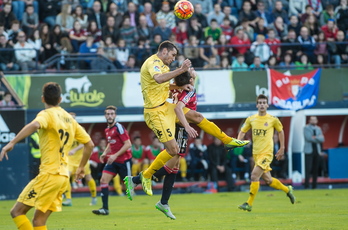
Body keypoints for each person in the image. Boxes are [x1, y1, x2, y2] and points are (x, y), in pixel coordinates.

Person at [132, 41, 249, 197]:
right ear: (164, 51)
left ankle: (228, 141)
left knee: (197, 116)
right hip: (155, 112)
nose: (173, 59)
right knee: (173, 150)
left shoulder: (164, 66)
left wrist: (178, 87)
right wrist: (181, 70)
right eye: (172, 55)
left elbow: (163, 87)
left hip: (165, 106)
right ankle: (145, 176)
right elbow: (159, 79)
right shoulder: (153, 62)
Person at [0, 82, 94, 229]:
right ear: (60, 99)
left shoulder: (46, 115)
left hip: (50, 174)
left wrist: (11, 143)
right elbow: (90, 144)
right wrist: (81, 167)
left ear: (43, 99)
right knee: (39, 222)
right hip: (63, 177)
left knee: (16, 212)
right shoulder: (69, 119)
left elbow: (35, 125)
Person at [237, 94, 295, 212]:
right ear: (257, 105)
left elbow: (281, 131)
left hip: (267, 153)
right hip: (256, 153)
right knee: (268, 180)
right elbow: (242, 131)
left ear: (267, 105)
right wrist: (238, 142)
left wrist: (282, 147)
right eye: (260, 103)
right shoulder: (251, 119)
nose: (262, 105)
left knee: (254, 176)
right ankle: (287, 190)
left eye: (264, 102)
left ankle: (249, 203)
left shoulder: (273, 119)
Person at [92, 105, 132, 216]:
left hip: (124, 161)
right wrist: (105, 153)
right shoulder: (107, 129)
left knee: (130, 186)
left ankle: (147, 178)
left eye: (112, 114)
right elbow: (111, 143)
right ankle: (105, 209)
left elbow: (128, 144)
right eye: (108, 114)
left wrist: (115, 155)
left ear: (115, 115)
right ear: (105, 116)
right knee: (103, 180)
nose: (110, 116)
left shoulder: (119, 128)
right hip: (113, 161)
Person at [62, 112, 97, 207]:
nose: (72, 120)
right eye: (70, 118)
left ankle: (94, 197)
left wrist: (74, 150)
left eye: (74, 118)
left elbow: (85, 143)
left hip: (82, 159)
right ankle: (68, 199)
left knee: (88, 177)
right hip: (70, 160)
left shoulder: (80, 129)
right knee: (66, 177)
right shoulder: (65, 130)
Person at [303, 116, 325, 189]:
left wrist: (315, 137)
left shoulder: (318, 128)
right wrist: (317, 138)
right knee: (308, 169)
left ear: (317, 121)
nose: (313, 121)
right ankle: (306, 185)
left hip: (317, 151)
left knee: (316, 169)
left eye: (315, 119)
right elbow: (308, 138)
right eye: (312, 120)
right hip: (308, 151)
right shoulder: (306, 128)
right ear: (309, 121)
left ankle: (314, 186)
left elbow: (322, 139)